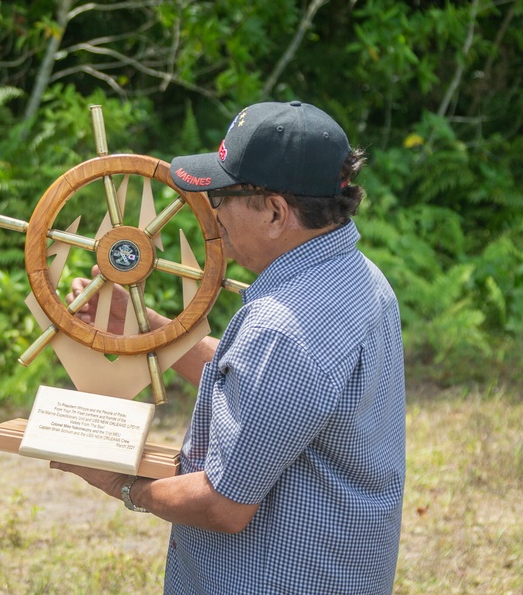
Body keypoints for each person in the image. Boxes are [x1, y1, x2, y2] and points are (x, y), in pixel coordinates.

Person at [56, 101, 405, 594]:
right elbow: (265, 388)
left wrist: (122, 484)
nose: (212, 213)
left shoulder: (282, 325)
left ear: (276, 212)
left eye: (223, 196)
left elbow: (223, 504)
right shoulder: (357, 279)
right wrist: (143, 329)